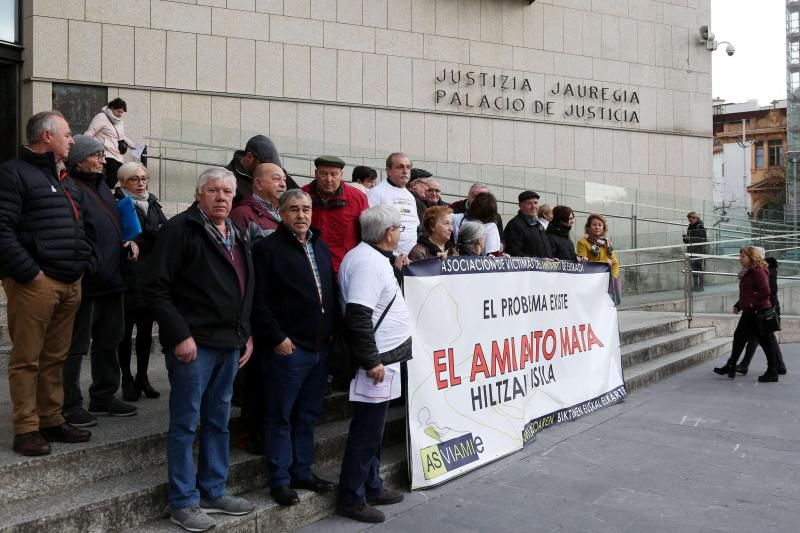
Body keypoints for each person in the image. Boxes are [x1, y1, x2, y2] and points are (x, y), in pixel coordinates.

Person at [145, 167, 256, 532]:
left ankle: (213, 490)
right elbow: (156, 288)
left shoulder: (236, 233)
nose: (221, 196)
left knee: (218, 421)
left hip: (229, 343)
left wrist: (246, 332)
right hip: (194, 346)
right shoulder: (180, 230)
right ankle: (183, 501)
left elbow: (245, 285)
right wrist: (179, 335)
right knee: (186, 423)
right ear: (199, 194)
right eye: (213, 190)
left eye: (227, 191)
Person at [0, 111, 93, 456]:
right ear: (46, 136)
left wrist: (82, 263)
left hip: (70, 280)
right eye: (67, 135)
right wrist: (29, 272)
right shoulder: (13, 173)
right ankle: (26, 428)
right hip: (36, 282)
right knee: (27, 358)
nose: (72, 140)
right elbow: (2, 229)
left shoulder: (64, 178)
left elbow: (77, 227)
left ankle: (51, 418)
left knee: (56, 356)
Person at [252, 189, 338, 507]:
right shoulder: (268, 249)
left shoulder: (319, 244)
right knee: (280, 417)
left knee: (307, 415)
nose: (301, 215)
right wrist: (277, 338)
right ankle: (280, 480)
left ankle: (303, 471)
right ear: (281, 212)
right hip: (289, 349)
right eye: (293, 209)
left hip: (319, 349)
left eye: (306, 209)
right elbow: (258, 299)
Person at [336, 205, 411, 523]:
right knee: (365, 432)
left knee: (374, 429)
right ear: (388, 233)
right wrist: (370, 361)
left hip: (384, 360)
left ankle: (372, 485)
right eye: (399, 228)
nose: (400, 234)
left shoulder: (373, 259)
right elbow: (358, 315)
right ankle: (351, 498)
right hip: (376, 363)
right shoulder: (368, 263)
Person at [62, 135, 140, 427]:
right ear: (81, 159)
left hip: (112, 279)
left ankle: (104, 395)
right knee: (75, 346)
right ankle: (69, 403)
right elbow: (75, 234)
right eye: (97, 155)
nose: (103, 159)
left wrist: (128, 243)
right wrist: (91, 265)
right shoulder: (71, 188)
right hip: (89, 281)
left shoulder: (104, 188)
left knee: (110, 340)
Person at [115, 162, 168, 402]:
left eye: (143, 178)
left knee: (146, 333)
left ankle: (142, 377)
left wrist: (147, 235)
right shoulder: (119, 204)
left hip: (149, 278)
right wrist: (151, 233)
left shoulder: (153, 203)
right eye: (134, 179)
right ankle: (126, 378)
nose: (140, 183)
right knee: (125, 334)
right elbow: (125, 239)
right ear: (124, 182)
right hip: (127, 278)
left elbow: (164, 233)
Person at [713, 247, 782, 383]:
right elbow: (748, 293)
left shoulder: (757, 271)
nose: (740, 259)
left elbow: (765, 291)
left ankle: (772, 371)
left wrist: (750, 304)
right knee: (739, 338)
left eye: (743, 256)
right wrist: (739, 305)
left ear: (751, 257)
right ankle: (731, 365)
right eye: (740, 256)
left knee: (766, 342)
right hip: (750, 312)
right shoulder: (749, 272)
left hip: (758, 312)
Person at [302, 155, 368, 273]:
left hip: (344, 268)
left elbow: (367, 236)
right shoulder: (302, 195)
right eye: (323, 174)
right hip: (309, 267)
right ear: (316, 173)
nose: (329, 179)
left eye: (334, 174)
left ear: (341, 175)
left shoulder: (358, 198)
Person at [734, 255, 787, 376]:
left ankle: (744, 365)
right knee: (766, 338)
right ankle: (779, 365)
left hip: (766, 310)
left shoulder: (765, 273)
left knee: (756, 337)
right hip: (766, 309)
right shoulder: (765, 271)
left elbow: (761, 293)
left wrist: (740, 305)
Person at [367, 153, 419, 266]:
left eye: (408, 167)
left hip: (411, 261)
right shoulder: (376, 193)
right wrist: (392, 258)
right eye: (400, 167)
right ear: (388, 171)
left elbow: (414, 226)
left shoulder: (410, 196)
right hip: (388, 260)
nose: (405, 171)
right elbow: (369, 232)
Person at [226, 134, 298, 205]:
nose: (282, 184)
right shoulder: (227, 179)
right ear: (249, 157)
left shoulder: (278, 172)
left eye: (283, 179)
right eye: (265, 165)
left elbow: (299, 196)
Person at [85, 98, 137, 189]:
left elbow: (122, 136)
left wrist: (134, 147)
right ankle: (104, 190)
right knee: (113, 170)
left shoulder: (119, 121)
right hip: (104, 151)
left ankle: (104, 189)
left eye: (122, 112)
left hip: (116, 153)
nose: (120, 114)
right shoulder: (101, 117)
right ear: (112, 108)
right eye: (118, 111)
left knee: (118, 172)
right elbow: (90, 132)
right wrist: (83, 146)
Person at [230, 162, 286, 243]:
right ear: (258, 183)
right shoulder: (242, 214)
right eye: (276, 179)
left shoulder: (287, 212)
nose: (283, 184)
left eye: (284, 180)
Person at [504, 191, 553, 258]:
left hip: (544, 267)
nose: (533, 206)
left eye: (535, 203)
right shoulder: (515, 225)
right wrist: (538, 262)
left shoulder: (538, 224)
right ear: (520, 206)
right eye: (529, 203)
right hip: (528, 268)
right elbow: (514, 252)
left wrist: (551, 258)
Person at [577, 214, 620, 280]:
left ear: (603, 227)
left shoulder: (607, 243)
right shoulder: (582, 242)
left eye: (600, 225)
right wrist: (605, 263)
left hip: (607, 280)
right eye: (594, 225)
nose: (597, 227)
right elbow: (583, 264)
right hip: (590, 279)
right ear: (589, 227)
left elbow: (615, 263)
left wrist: (612, 278)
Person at [682, 211, 708, 292]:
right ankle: (695, 286)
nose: (690, 221)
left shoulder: (700, 226)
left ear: (695, 218)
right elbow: (688, 241)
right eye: (689, 220)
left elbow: (703, 239)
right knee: (693, 268)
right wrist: (685, 238)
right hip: (691, 250)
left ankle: (700, 286)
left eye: (691, 220)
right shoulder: (690, 226)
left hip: (699, 250)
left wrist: (689, 238)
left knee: (699, 268)